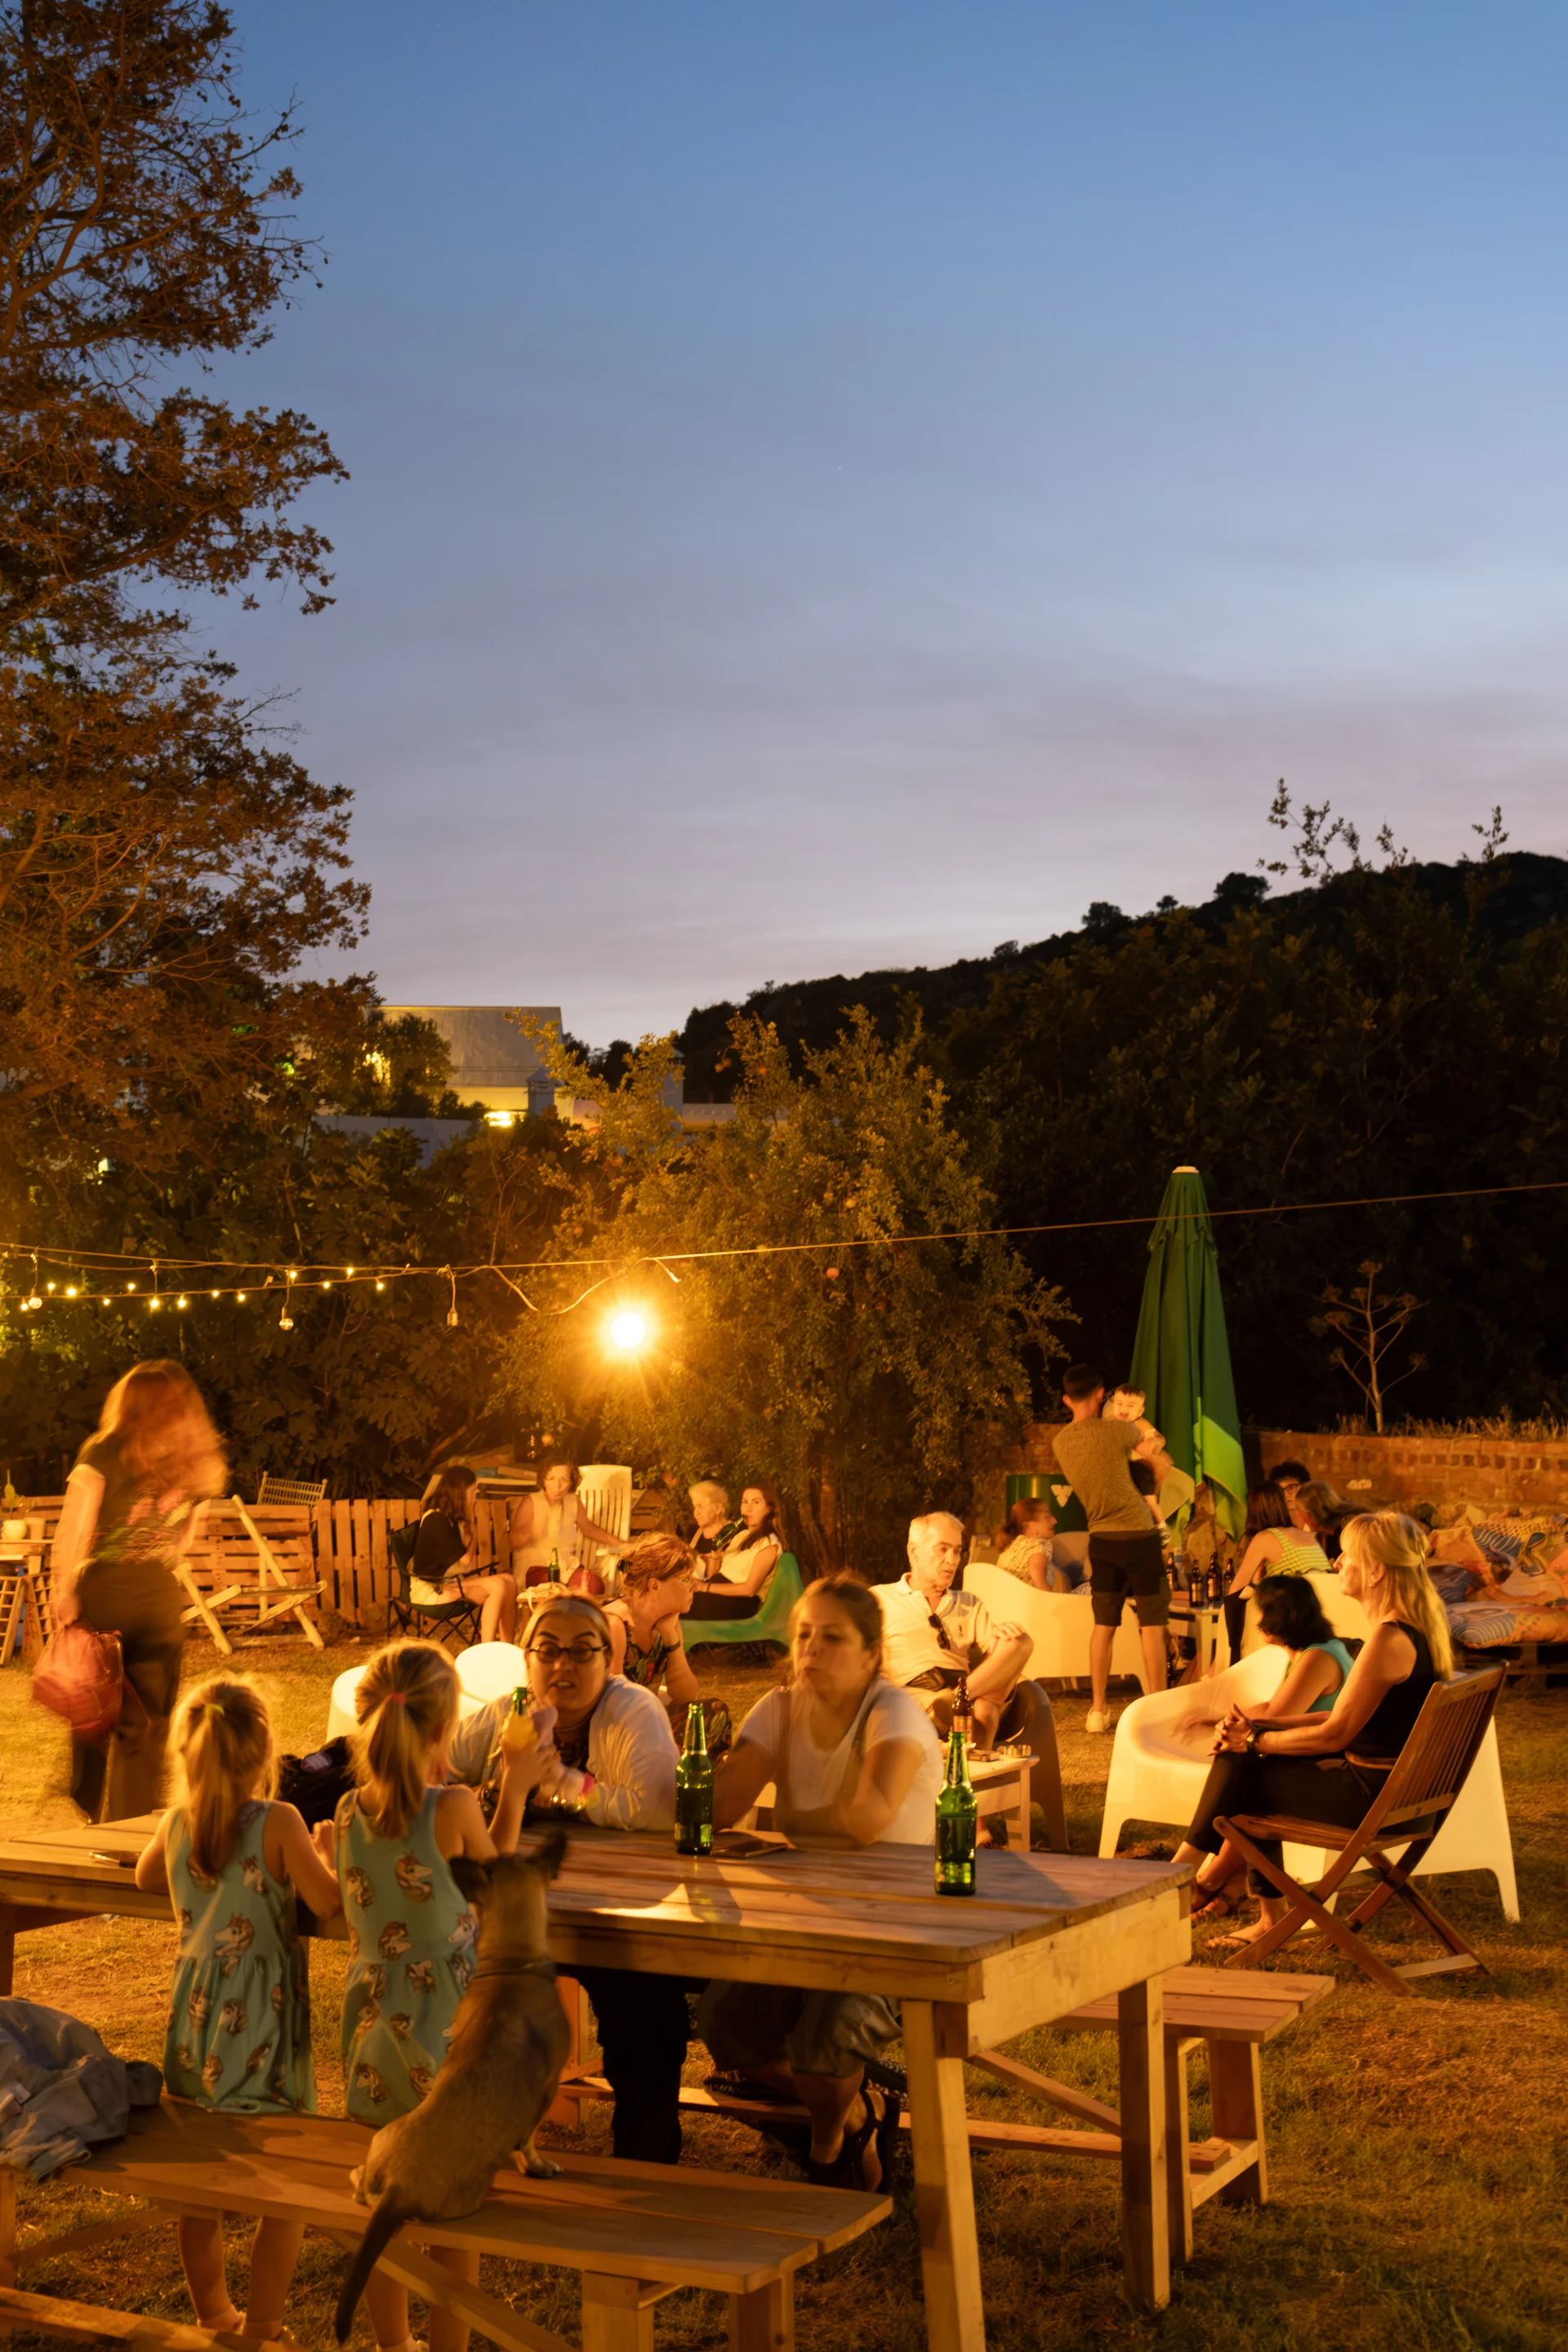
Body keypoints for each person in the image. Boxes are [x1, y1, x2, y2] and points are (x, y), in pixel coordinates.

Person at [700, 1575, 942, 2189]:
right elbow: (720, 1807)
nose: (810, 1650)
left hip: (898, 1922)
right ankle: (859, 2110)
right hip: (803, 1913)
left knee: (827, 2039)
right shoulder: (780, 1709)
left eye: (832, 1638)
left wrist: (789, 1821)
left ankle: (831, 2141)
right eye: (804, 1635)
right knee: (725, 2026)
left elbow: (868, 1818)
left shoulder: (893, 1712)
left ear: (871, 1653)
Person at [338, 1640, 538, 2352]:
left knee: (386, 2201)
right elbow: (497, 1881)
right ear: (447, 1728)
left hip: (374, 2029)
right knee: (452, 2212)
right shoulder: (452, 1806)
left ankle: (394, 2346)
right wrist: (516, 1787)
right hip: (448, 2036)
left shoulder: (345, 1810)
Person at [445, 1593, 689, 2164]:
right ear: (527, 1660)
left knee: (647, 2012)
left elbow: (657, 1809)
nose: (564, 1665)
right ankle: (464, 2141)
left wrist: (558, 1782)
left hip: (619, 1907)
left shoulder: (633, 1710)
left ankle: (646, 2165)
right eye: (548, 1650)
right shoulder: (509, 1713)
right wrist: (494, 1789)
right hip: (518, 1914)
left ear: (608, 1660)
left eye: (582, 1651)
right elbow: (438, 1770)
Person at [135, 1675, 342, 2343]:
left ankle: (214, 2316)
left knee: (202, 2183)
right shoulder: (279, 1822)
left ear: (187, 1755)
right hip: (262, 2025)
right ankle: (264, 2326)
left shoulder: (176, 1823)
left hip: (195, 2023)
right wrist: (327, 1855)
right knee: (284, 2187)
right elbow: (327, 1901)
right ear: (264, 1752)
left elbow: (144, 1875)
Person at [1173, 1512, 1451, 1952]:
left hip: (1370, 1801)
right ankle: (1196, 1880)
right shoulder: (1415, 1632)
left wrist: (1253, 1741)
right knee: (1246, 1759)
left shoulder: (1388, 1639)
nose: (1337, 1563)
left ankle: (1184, 1880)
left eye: (1347, 1555)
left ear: (1377, 1571)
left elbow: (1334, 1734)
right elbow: (1340, 1715)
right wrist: (1259, 1726)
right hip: (1405, 1799)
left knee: (1244, 1770)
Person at [50, 1361, 229, 1820]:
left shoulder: (103, 1449)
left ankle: (89, 1806)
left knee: (93, 1707)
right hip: (158, 1602)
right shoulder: (192, 1459)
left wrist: (63, 1589)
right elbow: (184, 1542)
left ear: (126, 1402)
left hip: (106, 1595)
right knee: (147, 1723)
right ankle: (129, 1822)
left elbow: (74, 1527)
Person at [1180, 1579, 1355, 1921]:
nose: (1256, 1620)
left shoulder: (1318, 1657)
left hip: (1322, 1765)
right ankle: (1219, 1884)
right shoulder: (1315, 1651)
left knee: (1240, 1764)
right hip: (1309, 1755)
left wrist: (1234, 1729)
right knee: (1241, 1764)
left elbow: (1277, 1716)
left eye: (1261, 1611)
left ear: (1278, 1616)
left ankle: (1193, 1875)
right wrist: (1224, 1720)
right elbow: (1273, 1708)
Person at [1051, 1365, 1174, 1732]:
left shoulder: (1060, 1443)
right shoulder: (1118, 1430)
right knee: (1152, 1625)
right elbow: (1157, 1461)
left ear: (1066, 1399)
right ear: (1100, 1394)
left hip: (1102, 1538)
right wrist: (1156, 1466)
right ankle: (1157, 1708)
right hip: (1140, 1534)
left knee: (1103, 1625)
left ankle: (1098, 1710)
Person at [876, 1512, 1034, 1752]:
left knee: (1020, 1642)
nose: (952, 1560)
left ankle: (954, 1703)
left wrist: (1003, 1639)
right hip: (911, 1696)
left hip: (962, 1692)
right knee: (983, 1711)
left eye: (957, 1551)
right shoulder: (881, 1599)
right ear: (914, 1552)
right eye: (942, 1549)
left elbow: (999, 1667)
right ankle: (968, 1761)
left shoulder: (969, 1603)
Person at [605, 1534, 731, 1748]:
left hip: (645, 1718)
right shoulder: (615, 1625)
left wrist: (671, 1637)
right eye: (686, 1580)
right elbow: (611, 1704)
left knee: (715, 1714)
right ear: (654, 1585)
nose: (694, 1587)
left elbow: (686, 1695)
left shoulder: (668, 1621)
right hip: (614, 1730)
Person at [1222, 1481, 1331, 1661]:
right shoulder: (1308, 1536)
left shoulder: (1265, 1537)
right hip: (1321, 1614)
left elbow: (1236, 1590)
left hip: (1291, 1620)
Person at [410, 1465, 516, 1642]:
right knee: (498, 1586)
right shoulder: (436, 1519)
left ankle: (507, 1646)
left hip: (449, 1583)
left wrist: (466, 1534)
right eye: (472, 1490)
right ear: (460, 1492)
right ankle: (487, 1648)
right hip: (431, 1589)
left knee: (509, 1581)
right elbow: (466, 1561)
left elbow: (461, 1564)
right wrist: (474, 1537)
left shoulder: (449, 1519)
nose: (475, 1496)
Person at [509, 1461, 632, 1593]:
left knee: (593, 1585)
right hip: (535, 1568)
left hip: (566, 1568)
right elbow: (514, 1542)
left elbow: (589, 1529)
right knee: (556, 1589)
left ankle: (578, 1605)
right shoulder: (532, 1502)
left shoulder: (573, 1501)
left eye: (564, 1480)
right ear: (544, 1480)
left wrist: (621, 1544)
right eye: (551, 1479)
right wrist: (531, 1533)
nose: (557, 1486)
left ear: (571, 1482)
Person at [686, 1481, 783, 1619]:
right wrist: (716, 1551)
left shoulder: (770, 1544)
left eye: (756, 1502)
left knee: (673, 1607)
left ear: (769, 1509)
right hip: (716, 1596)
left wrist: (704, 1587)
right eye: (745, 1502)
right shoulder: (741, 1536)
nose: (748, 1508)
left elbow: (749, 1590)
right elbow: (714, 1575)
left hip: (737, 1604)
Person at [996, 1499, 1075, 1592]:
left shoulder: (1011, 1547)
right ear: (1028, 1525)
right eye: (1047, 1517)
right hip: (1027, 1600)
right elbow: (1039, 1584)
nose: (1054, 1521)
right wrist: (1054, 1599)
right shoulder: (1036, 1547)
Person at [1293, 1480, 1354, 1565]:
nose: (1298, 1514)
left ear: (1313, 1513)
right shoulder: (1323, 1535)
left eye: (1299, 1509)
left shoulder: (1349, 1529)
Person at [687, 1479, 743, 1560]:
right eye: (694, 1507)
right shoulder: (692, 1532)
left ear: (718, 1508)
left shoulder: (738, 1534)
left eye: (700, 1506)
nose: (696, 1513)